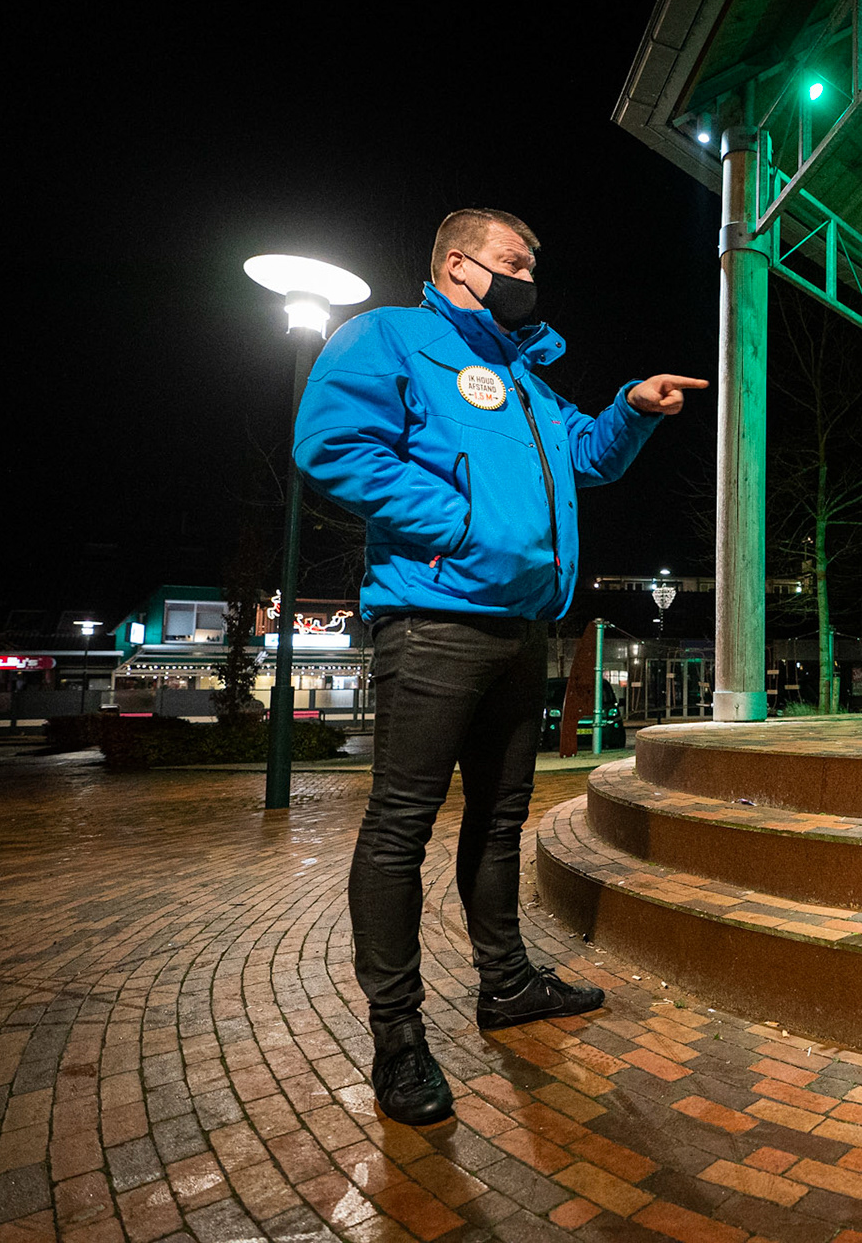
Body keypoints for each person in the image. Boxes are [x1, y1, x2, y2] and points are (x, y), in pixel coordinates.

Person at [294, 207, 705, 1125]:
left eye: (532, 266)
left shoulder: (524, 377)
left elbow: (586, 460)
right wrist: (463, 526)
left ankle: (507, 983)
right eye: (513, 262)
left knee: (500, 819)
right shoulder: (389, 337)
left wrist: (631, 410)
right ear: (457, 264)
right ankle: (398, 1037)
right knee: (400, 829)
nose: (528, 279)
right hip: (434, 621)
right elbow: (332, 444)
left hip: (522, 629)